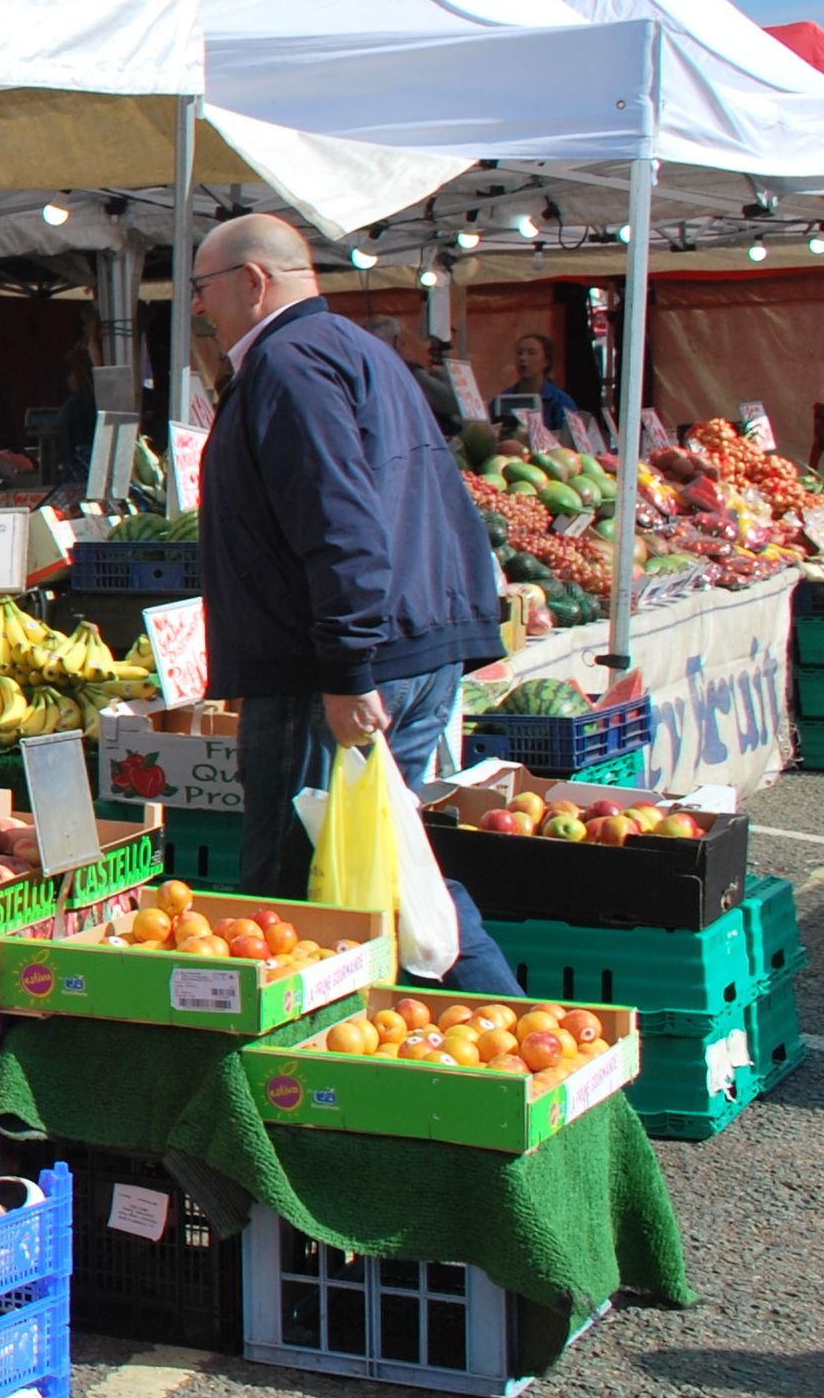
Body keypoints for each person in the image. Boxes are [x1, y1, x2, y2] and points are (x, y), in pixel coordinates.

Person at [191, 213, 520, 989]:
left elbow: (339, 522)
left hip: (332, 666)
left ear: (252, 282)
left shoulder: (290, 364)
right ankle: (505, 1041)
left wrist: (346, 669)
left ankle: (300, 1078)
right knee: (387, 860)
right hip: (395, 644)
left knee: (297, 893)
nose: (200, 310)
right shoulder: (355, 350)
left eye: (203, 290)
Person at [493, 331, 594, 449]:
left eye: (531, 353)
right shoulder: (501, 399)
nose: (523, 358)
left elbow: (571, 443)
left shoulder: (562, 402)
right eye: (519, 353)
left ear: (546, 361)